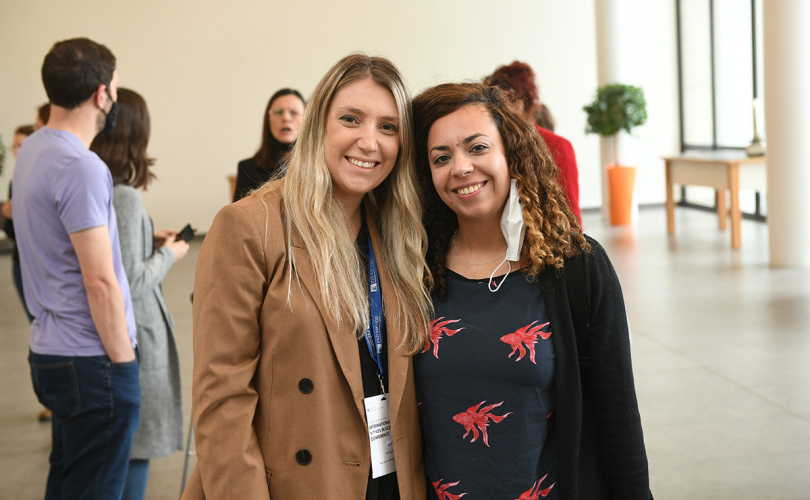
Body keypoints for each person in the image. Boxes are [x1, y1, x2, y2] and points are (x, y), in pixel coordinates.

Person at [183, 54, 432, 500]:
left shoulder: (400, 234)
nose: (369, 142)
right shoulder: (250, 226)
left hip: (389, 480)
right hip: (299, 484)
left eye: (388, 127)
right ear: (318, 125)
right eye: (350, 119)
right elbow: (221, 400)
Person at [412, 83, 652, 500]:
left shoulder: (576, 265)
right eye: (441, 157)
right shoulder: (414, 269)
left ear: (512, 154)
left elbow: (619, 417)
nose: (461, 168)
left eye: (477, 148)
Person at [12, 37, 140, 498]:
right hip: (92, 361)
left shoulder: (33, 148)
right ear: (101, 94)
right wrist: (123, 365)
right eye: (116, 89)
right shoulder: (80, 166)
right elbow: (99, 280)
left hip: (52, 352)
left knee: (68, 483)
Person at [90, 87, 189, 500]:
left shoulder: (101, 184)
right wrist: (169, 254)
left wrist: (150, 241)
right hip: (138, 339)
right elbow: (130, 281)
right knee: (136, 451)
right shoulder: (125, 196)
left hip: (117, 338)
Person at [485, 61, 581, 225]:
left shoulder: (557, 145)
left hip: (544, 234)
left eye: (499, 102)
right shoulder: (486, 144)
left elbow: (570, 212)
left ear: (520, 104)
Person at [233, 88, 305, 202]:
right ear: (268, 120)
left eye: (294, 112)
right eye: (278, 112)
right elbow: (240, 213)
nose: (286, 118)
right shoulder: (248, 169)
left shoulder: (321, 166)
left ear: (306, 119)